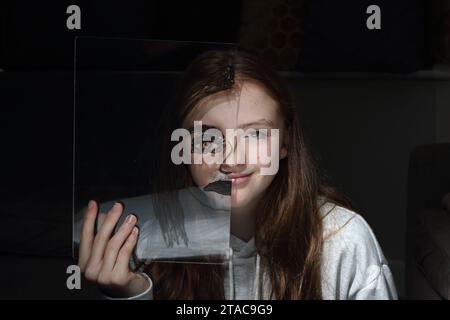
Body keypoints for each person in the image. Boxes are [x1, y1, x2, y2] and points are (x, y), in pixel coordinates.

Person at [75, 49, 398, 300]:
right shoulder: (142, 243)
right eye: (208, 138)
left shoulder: (343, 240)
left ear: (285, 142)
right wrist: (132, 294)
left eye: (256, 135)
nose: (231, 159)